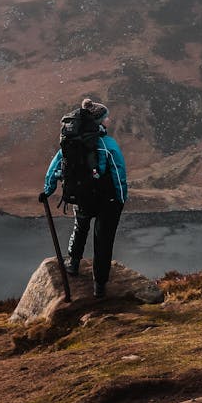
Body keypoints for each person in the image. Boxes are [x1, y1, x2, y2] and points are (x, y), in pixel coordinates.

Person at [39, 97, 128, 298]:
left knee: (80, 227)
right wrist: (121, 198)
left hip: (82, 196)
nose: (109, 120)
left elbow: (55, 167)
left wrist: (47, 190)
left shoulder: (72, 143)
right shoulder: (107, 144)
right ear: (99, 121)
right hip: (107, 200)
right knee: (103, 241)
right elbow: (118, 173)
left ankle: (73, 263)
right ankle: (99, 285)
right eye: (106, 117)